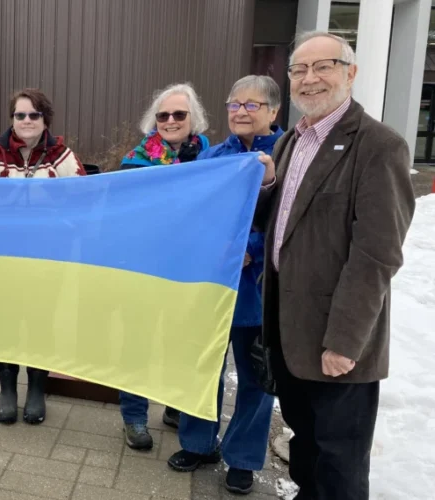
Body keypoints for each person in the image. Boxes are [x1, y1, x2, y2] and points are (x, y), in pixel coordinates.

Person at [254, 32, 415, 500]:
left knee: (340, 461)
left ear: (351, 72)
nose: (310, 79)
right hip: (291, 332)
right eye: (299, 70)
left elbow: (377, 254)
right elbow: (283, 225)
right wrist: (266, 187)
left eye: (322, 66)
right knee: (307, 447)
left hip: (337, 341)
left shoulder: (378, 146)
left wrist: (345, 342)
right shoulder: (292, 142)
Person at [165, 75, 283, 495]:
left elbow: (290, 220)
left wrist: (249, 248)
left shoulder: (288, 156)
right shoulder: (213, 156)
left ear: (273, 111)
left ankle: (243, 459)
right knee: (202, 370)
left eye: (252, 105)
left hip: (261, 291)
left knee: (256, 378)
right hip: (213, 287)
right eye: (235, 104)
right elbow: (197, 215)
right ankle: (198, 444)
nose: (241, 112)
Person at [0, 88, 86, 424]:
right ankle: (8, 390)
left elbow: (83, 204)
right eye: (20, 115)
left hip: (46, 259)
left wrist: (56, 221)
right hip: (2, 260)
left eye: (33, 115)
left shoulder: (62, 157)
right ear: (12, 120)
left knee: (41, 323)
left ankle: (37, 389)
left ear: (45, 119)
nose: (26, 121)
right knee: (4, 322)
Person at [117, 82, 210, 450]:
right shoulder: (135, 160)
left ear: (194, 119)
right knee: (138, 343)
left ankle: (175, 406)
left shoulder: (213, 159)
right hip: (145, 267)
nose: (170, 121)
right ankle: (134, 417)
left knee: (183, 342)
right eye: (163, 115)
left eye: (179, 114)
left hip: (192, 269)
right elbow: (124, 215)